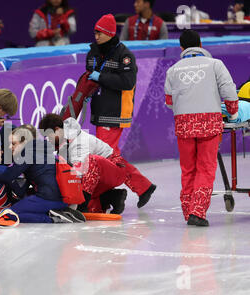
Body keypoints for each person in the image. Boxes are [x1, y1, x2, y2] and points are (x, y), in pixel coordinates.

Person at [164, 29, 239, 227]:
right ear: (201, 45)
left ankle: (188, 210)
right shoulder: (215, 65)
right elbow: (229, 90)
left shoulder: (173, 70)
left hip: (184, 125)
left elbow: (169, 101)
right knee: (205, 169)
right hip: (209, 123)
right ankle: (197, 211)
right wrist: (232, 112)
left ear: (181, 48)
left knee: (188, 169)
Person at [86, 14, 157, 209]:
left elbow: (127, 82)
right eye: (95, 32)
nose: (96, 36)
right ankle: (140, 188)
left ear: (109, 33)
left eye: (99, 33)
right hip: (100, 110)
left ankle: (109, 196)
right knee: (110, 157)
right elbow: (88, 75)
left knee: (106, 158)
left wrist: (101, 77)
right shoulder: (93, 52)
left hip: (115, 112)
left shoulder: (124, 55)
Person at [0, 125, 86, 223]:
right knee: (17, 209)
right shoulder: (40, 151)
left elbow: (8, 176)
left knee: (9, 214)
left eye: (13, 143)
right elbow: (22, 189)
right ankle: (59, 212)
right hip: (61, 199)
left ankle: (54, 218)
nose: (10, 147)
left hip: (48, 198)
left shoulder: (28, 153)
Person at [39, 113, 128, 214]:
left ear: (57, 129)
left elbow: (79, 174)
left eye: (49, 136)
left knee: (88, 163)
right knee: (90, 203)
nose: (48, 140)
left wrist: (75, 202)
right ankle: (114, 196)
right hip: (101, 175)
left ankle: (82, 206)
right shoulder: (63, 143)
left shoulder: (78, 142)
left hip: (117, 169)